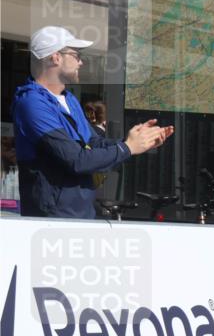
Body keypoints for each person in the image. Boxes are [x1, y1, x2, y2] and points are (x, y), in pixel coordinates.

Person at [12, 26, 173, 219]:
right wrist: (127, 148)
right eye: (76, 54)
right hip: (53, 218)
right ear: (55, 57)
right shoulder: (31, 103)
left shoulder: (68, 99)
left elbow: (93, 142)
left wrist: (134, 140)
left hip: (82, 212)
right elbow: (77, 160)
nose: (81, 62)